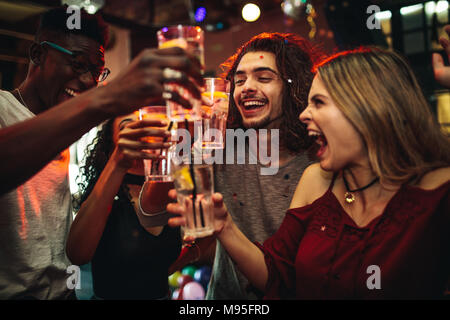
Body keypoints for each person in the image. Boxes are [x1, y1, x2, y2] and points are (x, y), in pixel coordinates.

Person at [168, 47, 450, 299]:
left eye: (319, 103)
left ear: (368, 107)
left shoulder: (437, 194)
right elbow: (279, 273)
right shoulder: (316, 178)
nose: (306, 114)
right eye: (239, 81)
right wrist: (225, 227)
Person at [0, 6, 202, 299]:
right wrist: (107, 97)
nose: (87, 82)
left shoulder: (71, 127)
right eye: (78, 64)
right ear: (37, 54)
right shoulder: (4, 109)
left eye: (97, 72)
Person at [195, 33, 322, 299]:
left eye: (263, 78)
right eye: (239, 81)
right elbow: (157, 215)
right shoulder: (219, 149)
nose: (246, 88)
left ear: (294, 87)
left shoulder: (321, 159)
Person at [66, 113, 181, 300]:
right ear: (112, 142)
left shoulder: (167, 184)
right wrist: (118, 162)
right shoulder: (106, 190)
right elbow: (77, 254)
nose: (140, 131)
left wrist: (186, 255)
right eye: (129, 127)